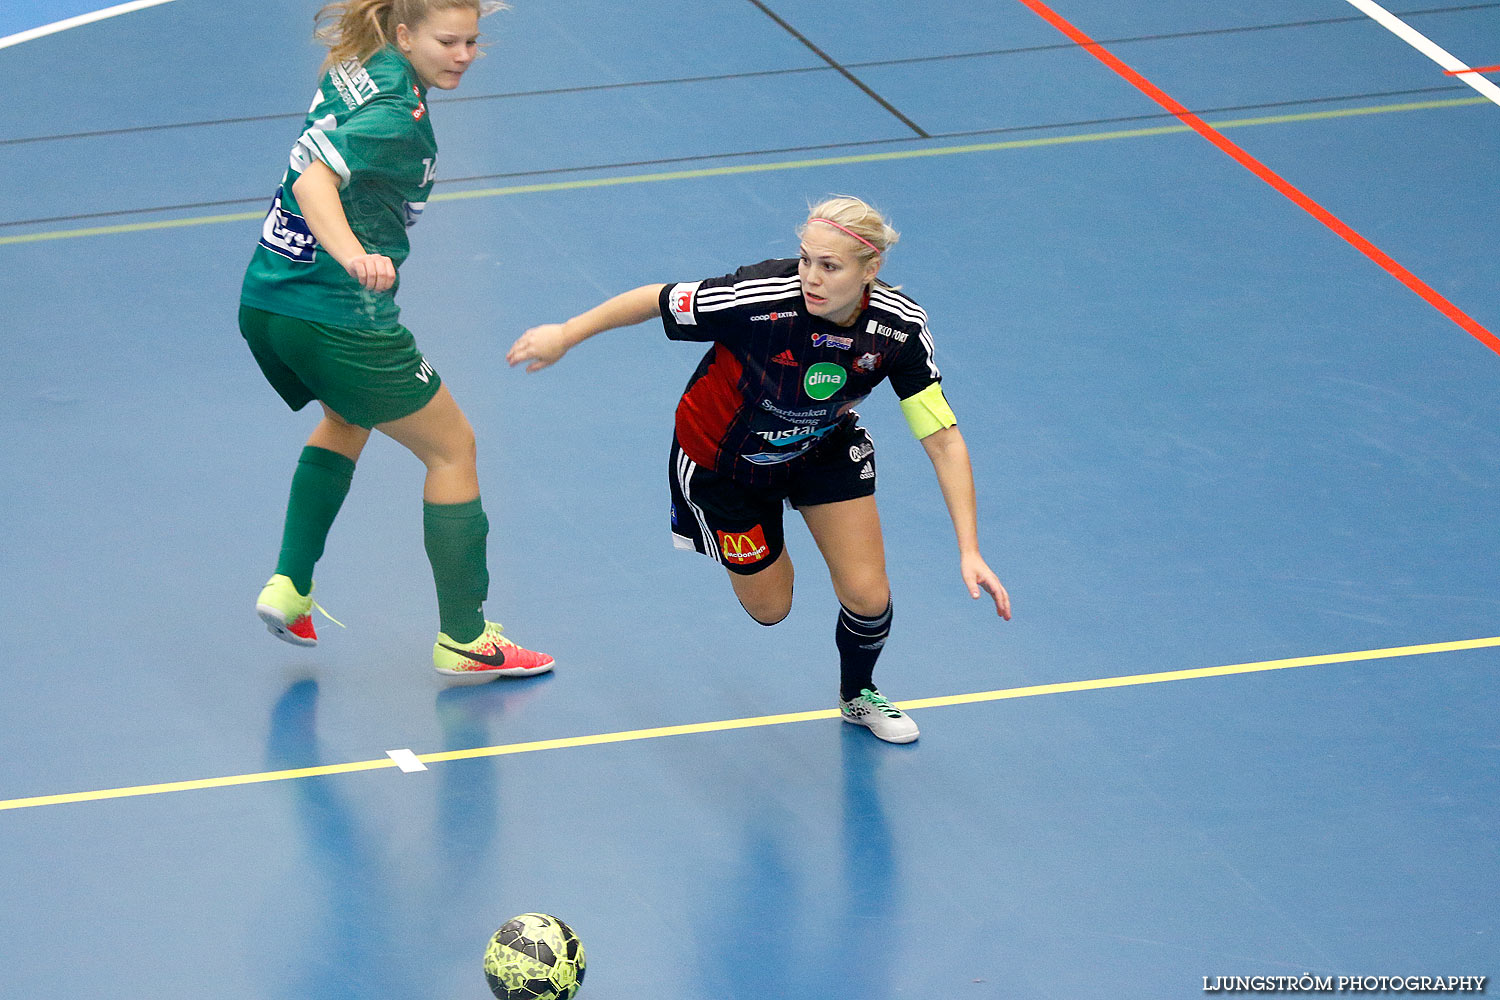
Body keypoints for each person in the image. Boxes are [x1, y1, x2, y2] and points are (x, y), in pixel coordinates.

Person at [506, 196, 1010, 741]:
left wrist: (969, 548)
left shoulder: (898, 330)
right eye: (805, 260)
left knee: (868, 595)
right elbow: (655, 299)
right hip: (722, 462)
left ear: (871, 270)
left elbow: (943, 439)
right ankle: (758, 533)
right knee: (772, 607)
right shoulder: (759, 297)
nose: (811, 277)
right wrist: (566, 332)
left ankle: (858, 694)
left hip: (820, 446)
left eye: (830, 266)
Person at [239, 0, 552, 680]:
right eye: (449, 40)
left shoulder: (363, 63)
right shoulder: (392, 116)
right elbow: (313, 178)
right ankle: (466, 638)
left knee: (346, 418)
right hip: (337, 313)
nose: (464, 54)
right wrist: (353, 253)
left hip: (269, 297)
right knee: (452, 449)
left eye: (472, 40)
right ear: (406, 33)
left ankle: (290, 585)